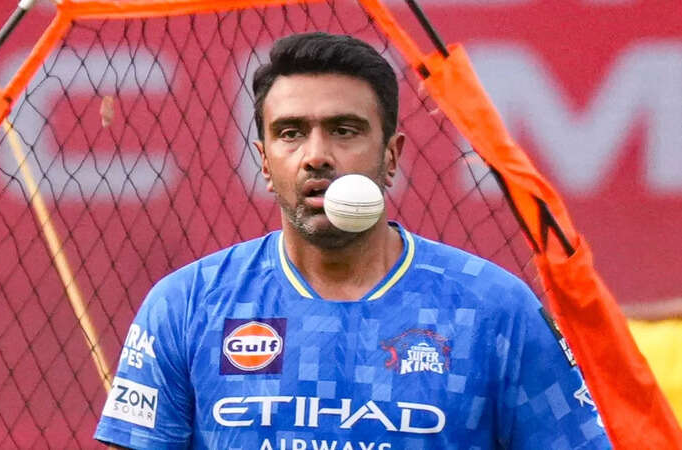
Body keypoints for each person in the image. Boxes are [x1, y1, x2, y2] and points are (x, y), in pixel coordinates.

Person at [94, 32, 611, 449]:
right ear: (265, 161)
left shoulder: (496, 310)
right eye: (291, 133)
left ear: (391, 156)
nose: (316, 155)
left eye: (344, 130)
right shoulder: (187, 304)